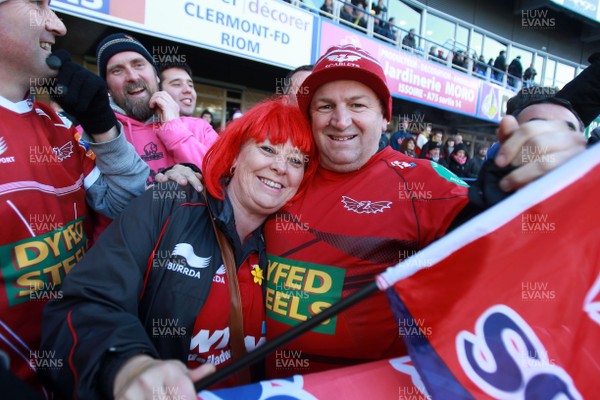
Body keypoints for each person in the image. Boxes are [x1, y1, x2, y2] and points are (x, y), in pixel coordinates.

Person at [259, 44, 586, 378]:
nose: (341, 121)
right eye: (326, 106)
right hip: (266, 387)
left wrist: (542, 187)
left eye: (357, 105)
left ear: (384, 116)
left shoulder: (419, 181)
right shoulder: (283, 174)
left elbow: (500, 238)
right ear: (310, 116)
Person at [40, 97, 318, 399]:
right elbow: (84, 303)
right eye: (268, 149)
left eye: (295, 160)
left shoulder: (290, 240)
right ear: (236, 155)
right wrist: (128, 366)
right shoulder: (171, 204)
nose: (280, 167)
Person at [0, 1, 149, 396]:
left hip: (81, 368)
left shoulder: (54, 121)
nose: (59, 26)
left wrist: (103, 127)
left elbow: (127, 205)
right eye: (37, 5)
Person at [96, 33, 218, 185]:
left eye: (139, 64)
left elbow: (224, 182)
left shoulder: (201, 128)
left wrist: (174, 129)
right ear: (107, 86)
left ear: (156, 76)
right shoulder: (96, 136)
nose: (132, 76)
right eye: (117, 71)